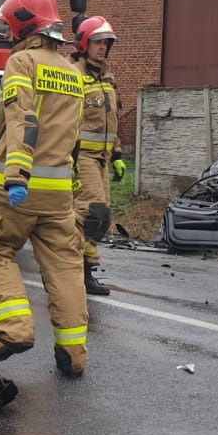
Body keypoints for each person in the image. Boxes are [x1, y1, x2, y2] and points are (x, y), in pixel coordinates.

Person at [0, 0, 90, 380]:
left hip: (16, 188)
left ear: (25, 25)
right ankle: (73, 353)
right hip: (59, 193)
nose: (7, 36)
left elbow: (22, 118)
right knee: (66, 267)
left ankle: (15, 331)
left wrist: (16, 175)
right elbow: (72, 134)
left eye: (10, 28)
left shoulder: (22, 62)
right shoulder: (73, 71)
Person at [71, 16, 126, 296]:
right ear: (84, 43)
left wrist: (117, 154)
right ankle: (72, 271)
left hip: (103, 158)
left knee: (101, 218)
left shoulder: (108, 78)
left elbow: (111, 120)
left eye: (106, 43)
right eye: (97, 42)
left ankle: (86, 270)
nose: (102, 47)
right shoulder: (73, 75)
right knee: (90, 214)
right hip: (81, 156)